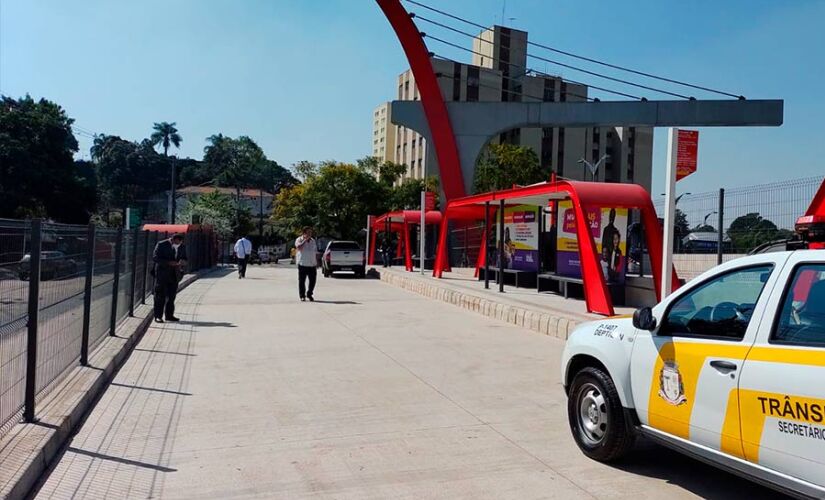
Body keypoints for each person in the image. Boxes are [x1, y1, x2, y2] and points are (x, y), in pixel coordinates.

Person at [152, 233, 185, 323]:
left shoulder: (182, 246)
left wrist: (183, 262)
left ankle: (169, 315)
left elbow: (184, 257)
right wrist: (168, 263)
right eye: (177, 242)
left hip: (174, 275)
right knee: (160, 296)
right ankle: (158, 316)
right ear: (173, 239)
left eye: (180, 242)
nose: (178, 244)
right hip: (162, 274)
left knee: (171, 297)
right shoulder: (161, 244)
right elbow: (155, 258)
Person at [295, 226, 318, 301]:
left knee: (313, 281)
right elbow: (299, 247)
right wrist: (305, 240)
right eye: (308, 232)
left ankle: (309, 293)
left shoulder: (313, 241)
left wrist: (316, 261)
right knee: (302, 281)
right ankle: (302, 295)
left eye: (310, 232)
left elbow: (314, 252)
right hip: (303, 264)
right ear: (304, 233)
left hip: (312, 264)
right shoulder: (299, 239)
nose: (309, 234)